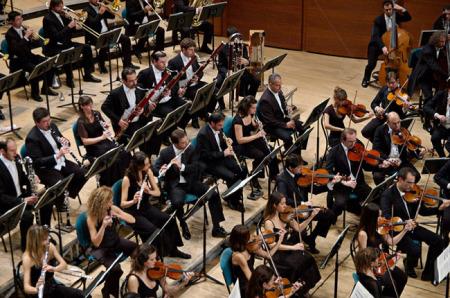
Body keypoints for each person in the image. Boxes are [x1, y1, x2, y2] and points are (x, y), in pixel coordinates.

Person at [154, 128, 227, 239]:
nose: (186, 144)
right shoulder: (165, 153)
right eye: (183, 143)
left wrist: (182, 167)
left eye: (186, 141)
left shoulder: (190, 149)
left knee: (214, 194)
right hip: (176, 186)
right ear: (175, 143)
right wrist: (162, 170)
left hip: (191, 182)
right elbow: (155, 167)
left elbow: (196, 167)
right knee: (177, 203)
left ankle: (216, 227)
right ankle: (183, 225)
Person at [121, 151, 191, 259]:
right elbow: (123, 204)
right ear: (139, 166)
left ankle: (173, 250)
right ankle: (156, 256)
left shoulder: (147, 172)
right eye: (146, 164)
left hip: (146, 207)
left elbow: (157, 193)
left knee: (169, 220)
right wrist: (133, 201)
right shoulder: (127, 179)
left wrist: (148, 191)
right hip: (133, 213)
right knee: (153, 231)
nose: (149, 166)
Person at [380, 167, 445, 281]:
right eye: (408, 183)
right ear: (400, 179)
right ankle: (408, 264)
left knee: (438, 241)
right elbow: (387, 219)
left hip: (412, 226)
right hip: (398, 230)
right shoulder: (388, 195)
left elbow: (423, 212)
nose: (411, 186)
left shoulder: (412, 192)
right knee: (414, 250)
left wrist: (439, 209)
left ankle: (428, 274)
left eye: (413, 183)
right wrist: (405, 223)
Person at [25, 107, 87, 226]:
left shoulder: (52, 126)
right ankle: (61, 204)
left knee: (81, 173)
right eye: (45, 121)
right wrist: (57, 155)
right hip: (46, 168)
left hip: (60, 161)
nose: (48, 123)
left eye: (49, 119)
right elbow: (38, 162)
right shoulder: (32, 138)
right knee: (59, 184)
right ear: (37, 122)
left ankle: (63, 196)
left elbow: (62, 140)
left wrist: (65, 142)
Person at [263, 192, 321, 297]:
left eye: (285, 203)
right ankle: (295, 291)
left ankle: (304, 287)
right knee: (296, 265)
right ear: (274, 205)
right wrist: (293, 247)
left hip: (288, 248)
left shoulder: (286, 215)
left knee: (309, 258)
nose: (285, 206)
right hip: (278, 253)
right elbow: (272, 246)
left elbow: (299, 228)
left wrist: (311, 217)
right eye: (282, 204)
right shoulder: (269, 222)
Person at [276, 154, 336, 254]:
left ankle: (311, 238)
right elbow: (284, 200)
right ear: (291, 168)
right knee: (300, 231)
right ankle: (294, 247)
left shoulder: (302, 175)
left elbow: (315, 190)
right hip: (294, 211)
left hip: (306, 208)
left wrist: (330, 184)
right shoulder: (282, 180)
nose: (302, 169)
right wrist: (302, 202)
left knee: (329, 214)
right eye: (299, 167)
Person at [86, 186, 137, 298]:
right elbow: (96, 243)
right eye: (109, 200)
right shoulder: (92, 217)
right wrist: (103, 226)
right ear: (102, 202)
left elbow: (133, 220)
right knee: (116, 270)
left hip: (115, 241)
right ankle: (107, 291)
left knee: (139, 250)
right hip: (101, 249)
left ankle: (135, 280)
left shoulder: (112, 208)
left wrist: (119, 215)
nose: (112, 202)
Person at [101, 67, 160, 155]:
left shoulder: (139, 87)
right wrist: (118, 120)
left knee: (154, 133)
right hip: (125, 125)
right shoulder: (116, 93)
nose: (135, 83)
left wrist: (143, 109)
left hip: (139, 120)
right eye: (131, 81)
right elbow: (104, 107)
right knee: (142, 137)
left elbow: (143, 102)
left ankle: (148, 157)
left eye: (135, 79)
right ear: (123, 81)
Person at [196, 112, 247, 212]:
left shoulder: (219, 128)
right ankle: (233, 201)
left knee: (242, 170)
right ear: (212, 123)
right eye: (219, 125)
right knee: (231, 176)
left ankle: (231, 196)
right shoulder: (203, 135)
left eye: (222, 124)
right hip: (210, 163)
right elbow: (206, 155)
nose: (221, 127)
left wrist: (227, 141)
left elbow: (220, 143)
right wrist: (224, 153)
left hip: (221, 157)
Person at [43, 0, 101, 88]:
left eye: (62, 5)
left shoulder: (62, 14)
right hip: (54, 46)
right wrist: (69, 26)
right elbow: (56, 36)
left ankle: (88, 75)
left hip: (66, 43)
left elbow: (70, 30)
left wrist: (76, 26)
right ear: (53, 7)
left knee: (87, 48)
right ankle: (69, 79)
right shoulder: (47, 19)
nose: (62, 8)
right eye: (59, 6)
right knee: (68, 53)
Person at [356, 203, 410, 297]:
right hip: (370, 266)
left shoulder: (381, 228)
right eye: (378, 216)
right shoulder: (363, 234)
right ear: (371, 218)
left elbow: (391, 242)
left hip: (381, 261)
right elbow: (363, 259)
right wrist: (377, 268)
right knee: (391, 283)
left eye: (381, 215)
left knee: (402, 277)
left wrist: (405, 230)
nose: (381, 218)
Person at [231, 95, 279, 199]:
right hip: (240, 146)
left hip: (250, 139)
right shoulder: (238, 121)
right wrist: (256, 135)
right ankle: (254, 176)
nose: (255, 109)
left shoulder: (250, 114)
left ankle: (274, 174)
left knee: (270, 150)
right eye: (253, 107)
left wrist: (258, 126)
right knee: (260, 155)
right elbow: (240, 140)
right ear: (246, 107)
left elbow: (253, 126)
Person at [77, 95, 130, 186]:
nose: (90, 108)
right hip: (93, 147)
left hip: (104, 142)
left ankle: (124, 179)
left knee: (124, 153)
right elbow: (85, 141)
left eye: (91, 105)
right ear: (82, 106)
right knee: (112, 160)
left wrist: (105, 126)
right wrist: (101, 137)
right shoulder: (81, 122)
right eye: (87, 106)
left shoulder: (96, 114)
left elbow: (103, 127)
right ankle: (111, 184)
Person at [6, 11, 57, 101]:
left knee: (50, 63)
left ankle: (45, 88)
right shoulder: (9, 34)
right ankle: (35, 93)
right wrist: (26, 37)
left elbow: (30, 46)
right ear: (12, 22)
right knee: (35, 69)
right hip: (18, 61)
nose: (21, 21)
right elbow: (16, 49)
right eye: (18, 19)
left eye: (21, 18)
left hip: (29, 56)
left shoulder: (23, 29)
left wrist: (32, 38)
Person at [22, 225, 83, 298]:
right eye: (45, 239)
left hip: (52, 286)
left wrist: (54, 268)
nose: (49, 239)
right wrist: (37, 289)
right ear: (36, 242)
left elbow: (64, 265)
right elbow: (26, 287)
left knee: (81, 295)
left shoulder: (49, 247)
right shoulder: (27, 258)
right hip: (39, 293)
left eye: (47, 236)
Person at [326, 128, 375, 217]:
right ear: (343, 140)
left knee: (374, 196)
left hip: (359, 184)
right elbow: (328, 172)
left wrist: (378, 164)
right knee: (339, 204)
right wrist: (343, 182)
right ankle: (330, 219)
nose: (353, 144)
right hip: (342, 186)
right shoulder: (334, 152)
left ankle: (359, 211)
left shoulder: (358, 147)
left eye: (354, 140)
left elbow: (366, 166)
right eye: (350, 142)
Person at [362, 0, 411, 88]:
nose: (389, 11)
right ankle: (366, 78)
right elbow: (375, 36)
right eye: (386, 10)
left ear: (393, 8)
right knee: (371, 64)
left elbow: (408, 18)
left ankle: (395, 79)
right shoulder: (378, 20)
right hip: (378, 45)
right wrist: (383, 47)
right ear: (383, 9)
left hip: (392, 45)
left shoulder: (396, 16)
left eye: (390, 9)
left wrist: (401, 8)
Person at [137, 51, 190, 130]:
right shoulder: (145, 74)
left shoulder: (167, 70)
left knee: (187, 107)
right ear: (154, 61)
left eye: (165, 62)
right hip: (157, 104)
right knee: (171, 115)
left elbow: (174, 84)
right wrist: (148, 103)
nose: (165, 64)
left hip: (169, 98)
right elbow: (139, 92)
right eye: (162, 62)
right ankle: (168, 133)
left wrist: (172, 91)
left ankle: (180, 128)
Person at [0, 138, 37, 251]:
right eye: (12, 150)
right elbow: (1, 197)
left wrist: (32, 178)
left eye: (15, 149)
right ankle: (26, 247)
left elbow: (22, 177)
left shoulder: (16, 158)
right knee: (28, 216)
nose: (16, 153)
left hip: (20, 196)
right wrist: (22, 201)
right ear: (2, 151)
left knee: (44, 201)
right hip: (7, 203)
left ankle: (43, 235)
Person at [229, 224, 285, 298]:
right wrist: (268, 283)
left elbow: (268, 255)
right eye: (248, 237)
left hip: (253, 276)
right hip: (245, 284)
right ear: (242, 240)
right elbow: (250, 279)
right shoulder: (239, 256)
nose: (252, 237)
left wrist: (280, 240)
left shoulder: (251, 246)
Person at [168, 37, 212, 128]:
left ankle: (204, 112)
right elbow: (171, 81)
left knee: (211, 89)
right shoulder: (174, 62)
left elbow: (200, 72)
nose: (193, 52)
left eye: (193, 49)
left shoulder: (193, 57)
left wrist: (197, 77)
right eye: (190, 50)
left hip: (195, 83)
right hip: (185, 87)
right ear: (183, 49)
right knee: (197, 95)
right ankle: (195, 117)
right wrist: (186, 82)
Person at [84, 0, 137, 73]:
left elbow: (112, 16)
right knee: (105, 43)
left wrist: (107, 9)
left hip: (107, 33)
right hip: (95, 36)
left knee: (126, 39)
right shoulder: (86, 10)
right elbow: (92, 23)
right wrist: (99, 13)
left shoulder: (100, 7)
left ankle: (127, 64)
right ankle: (101, 64)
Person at [257, 73, 306, 151]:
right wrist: (286, 125)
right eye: (277, 85)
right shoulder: (265, 100)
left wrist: (287, 109)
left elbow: (282, 106)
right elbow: (270, 121)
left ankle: (298, 150)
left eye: (280, 84)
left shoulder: (278, 91)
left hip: (281, 119)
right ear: (270, 84)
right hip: (272, 126)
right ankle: (292, 158)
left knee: (305, 127)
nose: (280, 87)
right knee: (287, 137)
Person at [372, 112, 423, 185]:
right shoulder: (380, 131)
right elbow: (376, 149)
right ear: (388, 122)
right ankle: (384, 194)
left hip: (400, 161)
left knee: (416, 176)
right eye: (394, 123)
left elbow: (411, 146)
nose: (397, 126)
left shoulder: (403, 131)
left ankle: (401, 189)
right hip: (385, 161)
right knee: (377, 177)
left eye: (398, 122)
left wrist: (418, 153)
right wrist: (388, 159)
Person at [125, 244, 194, 297]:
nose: (156, 261)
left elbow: (168, 290)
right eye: (152, 259)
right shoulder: (133, 279)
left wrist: (183, 283)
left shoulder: (157, 269)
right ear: (143, 261)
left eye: (155, 258)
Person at [361, 72, 409, 142]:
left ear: (398, 81)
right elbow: (373, 103)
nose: (391, 85)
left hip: (394, 122)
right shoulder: (384, 89)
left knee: (382, 135)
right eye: (388, 83)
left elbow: (403, 114)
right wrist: (377, 109)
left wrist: (405, 108)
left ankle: (381, 145)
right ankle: (377, 144)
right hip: (382, 117)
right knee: (365, 131)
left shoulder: (403, 93)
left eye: (393, 83)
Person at [216, 26, 260, 99]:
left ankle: (249, 100)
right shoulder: (223, 49)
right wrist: (227, 72)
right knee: (217, 83)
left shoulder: (242, 46)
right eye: (233, 39)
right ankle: (222, 105)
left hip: (240, 72)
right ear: (229, 39)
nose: (236, 40)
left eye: (237, 38)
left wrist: (247, 62)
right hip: (227, 72)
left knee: (256, 81)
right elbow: (220, 66)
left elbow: (246, 60)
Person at [407, 31, 448, 104]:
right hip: (423, 76)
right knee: (429, 96)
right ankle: (427, 111)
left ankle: (435, 109)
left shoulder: (442, 48)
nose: (443, 44)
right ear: (436, 41)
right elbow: (434, 66)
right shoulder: (427, 50)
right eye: (441, 42)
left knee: (442, 92)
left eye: (444, 42)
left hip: (434, 75)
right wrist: (446, 75)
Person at [423, 82, 450, 157]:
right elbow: (426, 107)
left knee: (449, 146)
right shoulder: (441, 94)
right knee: (434, 138)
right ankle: (442, 158)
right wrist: (437, 115)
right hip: (442, 126)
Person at [432, 159, 450, 244]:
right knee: (447, 220)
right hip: (449, 199)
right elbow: (437, 177)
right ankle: (445, 240)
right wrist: (449, 185)